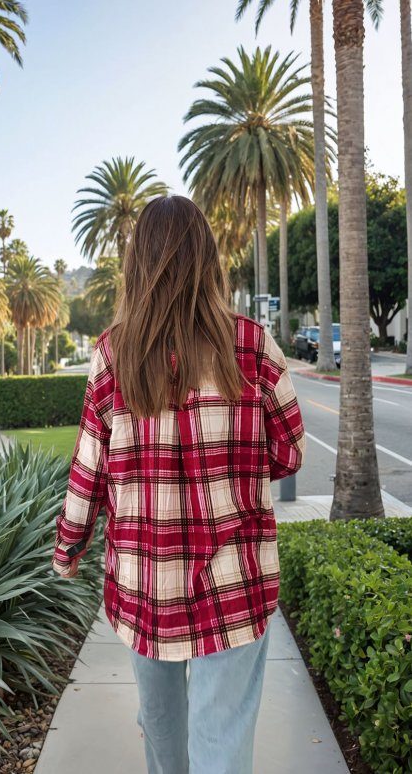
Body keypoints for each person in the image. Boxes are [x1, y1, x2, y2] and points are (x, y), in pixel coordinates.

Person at [52, 195, 306, 774]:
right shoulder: (251, 345)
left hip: (147, 584)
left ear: (137, 263)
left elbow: (88, 468)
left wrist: (69, 548)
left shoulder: (115, 353)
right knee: (223, 741)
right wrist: (234, 467)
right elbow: (289, 452)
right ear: (207, 258)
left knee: (163, 733)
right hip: (235, 580)